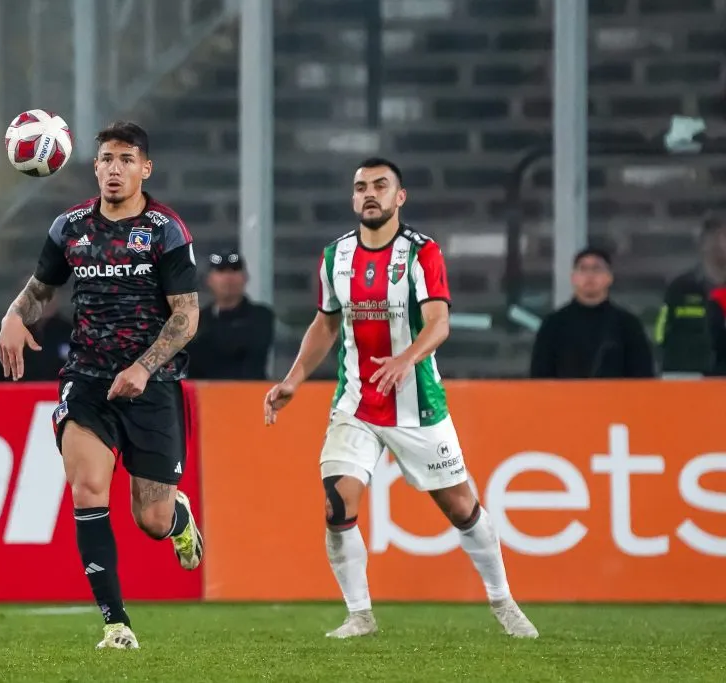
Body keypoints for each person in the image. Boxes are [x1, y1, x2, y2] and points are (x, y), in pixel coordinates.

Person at [263, 157, 538, 640]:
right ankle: (359, 614)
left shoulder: (421, 252)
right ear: (353, 198)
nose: (369, 193)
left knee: (461, 507)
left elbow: (439, 322)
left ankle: (502, 599)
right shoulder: (335, 257)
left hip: (418, 405)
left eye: (380, 185)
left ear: (399, 197)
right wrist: (293, 379)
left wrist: (406, 357)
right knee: (336, 505)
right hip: (356, 403)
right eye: (360, 187)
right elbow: (325, 324)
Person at [0, 121, 203, 650]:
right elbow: (41, 289)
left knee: (151, 520)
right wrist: (15, 316)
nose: (115, 169)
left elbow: (186, 318)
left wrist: (143, 368)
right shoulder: (69, 227)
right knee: (87, 488)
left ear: (145, 168)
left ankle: (179, 519)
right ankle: (116, 624)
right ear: (94, 166)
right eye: (107, 159)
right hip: (86, 381)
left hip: (150, 386)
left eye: (127, 160)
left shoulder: (165, 229)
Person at [529, 248, 654, 379]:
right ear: (574, 278)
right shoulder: (553, 324)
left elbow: (643, 376)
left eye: (597, 269)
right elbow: (540, 376)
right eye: (583, 269)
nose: (590, 275)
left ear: (609, 278)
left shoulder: (627, 325)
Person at [187, 249, 276, 380]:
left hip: (250, 395)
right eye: (221, 271)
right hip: (205, 395)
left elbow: (251, 352)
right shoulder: (197, 320)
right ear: (209, 280)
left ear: (245, 278)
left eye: (234, 270)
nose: (228, 277)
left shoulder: (261, 316)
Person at [656, 215, 726, 376]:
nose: (718, 244)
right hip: (690, 378)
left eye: (723, 237)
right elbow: (661, 334)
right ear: (701, 244)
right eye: (712, 238)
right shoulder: (681, 287)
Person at [0, 296, 72, 381]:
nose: (43, 301)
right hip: (15, 396)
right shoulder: (5, 336)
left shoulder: (72, 333)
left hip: (60, 396)